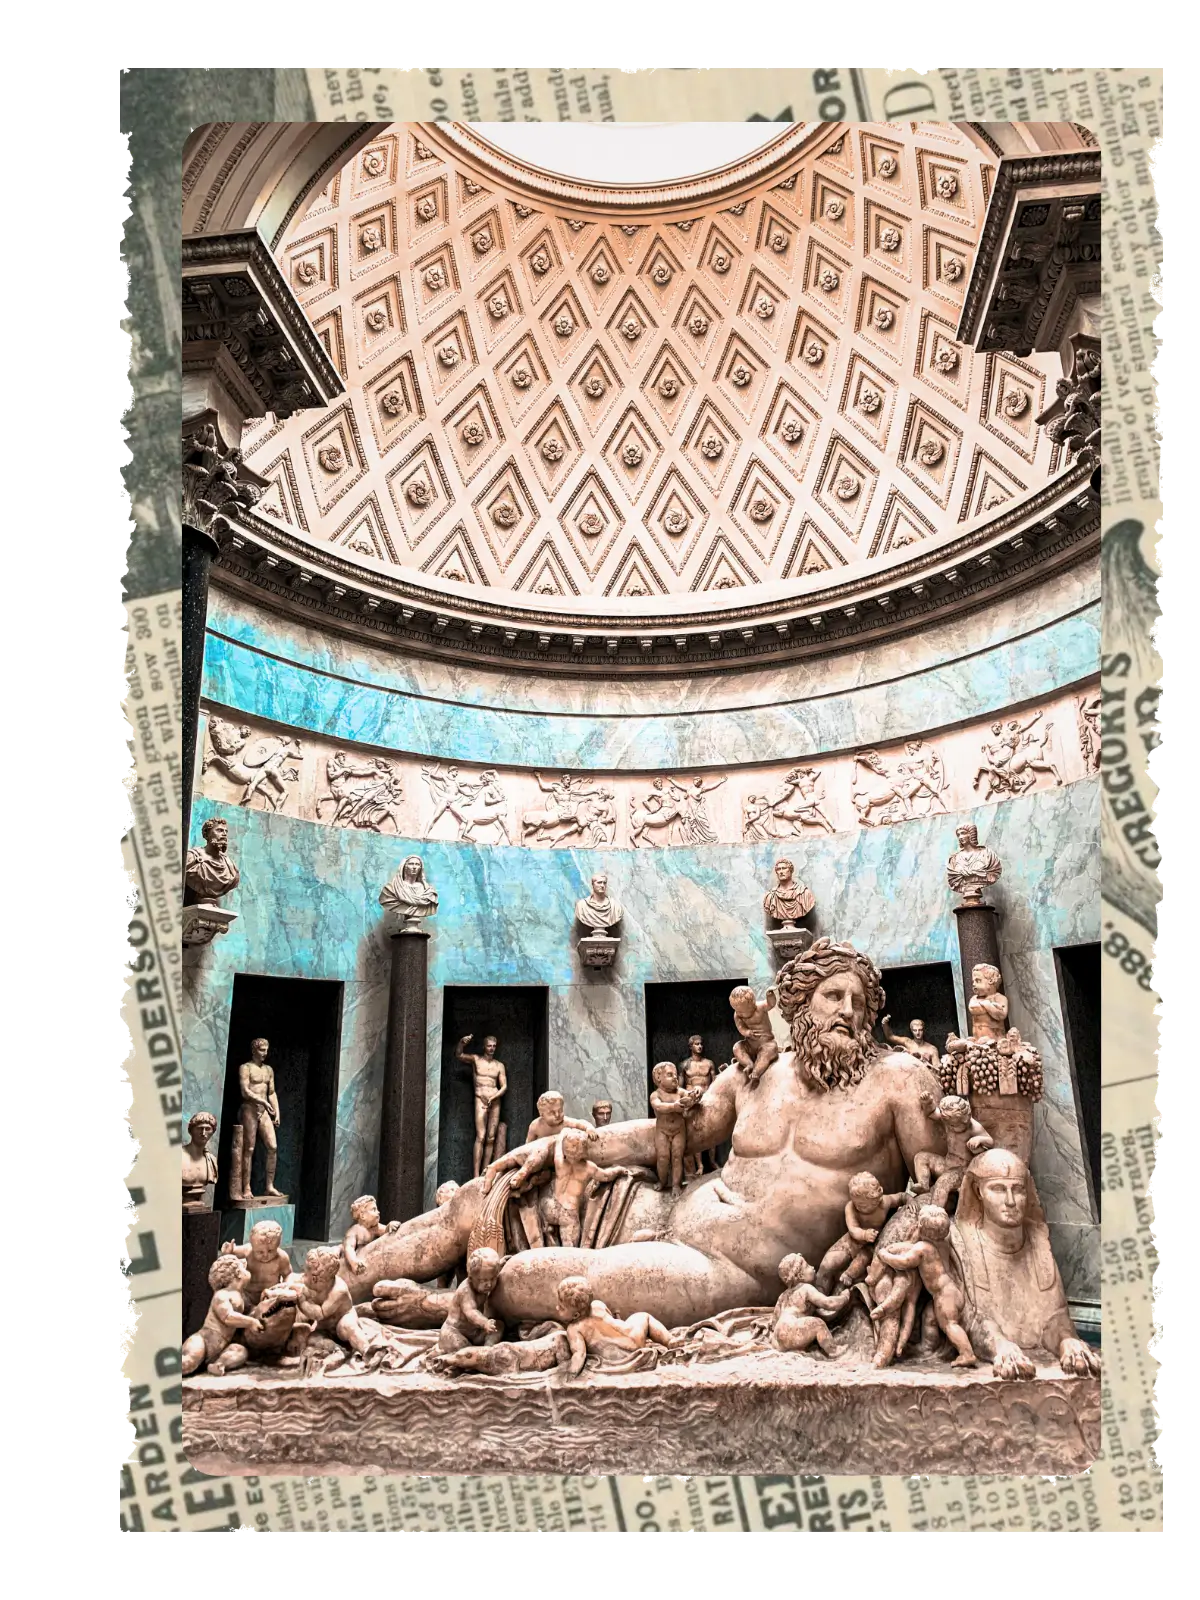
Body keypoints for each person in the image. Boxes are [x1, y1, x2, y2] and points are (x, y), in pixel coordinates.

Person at [346, 939, 945, 1331]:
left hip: (723, 1268)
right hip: (666, 1206)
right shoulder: (757, 1075)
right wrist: (562, 1145)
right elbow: (680, 1132)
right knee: (486, 1195)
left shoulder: (898, 1081)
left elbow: (937, 1190)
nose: (846, 1010)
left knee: (544, 1274)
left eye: (859, 1002)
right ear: (799, 1005)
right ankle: (328, 1287)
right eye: (832, 996)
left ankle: (438, 1310)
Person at [950, 1148, 1101, 1381]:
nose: (1010, 1201)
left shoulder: (1037, 1239)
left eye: (1018, 1190)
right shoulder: (961, 1239)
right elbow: (971, 1317)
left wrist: (1067, 1341)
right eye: (998, 1189)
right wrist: (1000, 1346)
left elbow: (1054, 1317)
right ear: (977, 1191)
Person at [875, 1205, 977, 1367]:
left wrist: (885, 1255)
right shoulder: (944, 1241)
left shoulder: (922, 1248)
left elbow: (904, 1262)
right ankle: (927, 1347)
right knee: (929, 1318)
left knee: (950, 1324)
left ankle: (967, 1353)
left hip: (944, 1295)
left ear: (921, 1227)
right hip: (953, 1290)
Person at [555, 1275, 673, 1375]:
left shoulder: (574, 1329)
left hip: (620, 1355)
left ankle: (670, 1341)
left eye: (561, 1308)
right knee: (643, 1317)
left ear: (576, 1315)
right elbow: (610, 1323)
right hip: (635, 1337)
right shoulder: (598, 1305)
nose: (557, 1308)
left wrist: (570, 1375)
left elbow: (579, 1354)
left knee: (642, 1318)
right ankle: (670, 1341)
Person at [815, 1173, 908, 1293]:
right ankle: (818, 1295)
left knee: (861, 1261)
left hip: (872, 1244)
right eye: (856, 1203)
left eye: (862, 1205)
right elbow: (853, 1229)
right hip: (852, 1241)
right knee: (827, 1264)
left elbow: (901, 1196)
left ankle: (848, 1278)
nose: (858, 1207)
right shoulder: (851, 1207)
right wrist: (864, 1234)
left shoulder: (884, 1202)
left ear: (876, 1200)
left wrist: (910, 1201)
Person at [182, 1255, 263, 1376]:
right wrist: (251, 1322)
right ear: (238, 1274)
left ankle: (219, 1364)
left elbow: (251, 1310)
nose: (247, 1269)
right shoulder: (221, 1295)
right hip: (204, 1342)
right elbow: (228, 1317)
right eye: (243, 1268)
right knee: (189, 1362)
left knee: (241, 1351)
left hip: (222, 1348)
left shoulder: (242, 1297)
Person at [769, 1255, 851, 1355]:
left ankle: (792, 1347)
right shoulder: (805, 1288)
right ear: (799, 1275)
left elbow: (774, 1322)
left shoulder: (783, 1295)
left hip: (777, 1338)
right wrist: (844, 1297)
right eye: (807, 1266)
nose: (812, 1267)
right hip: (791, 1330)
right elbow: (829, 1303)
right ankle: (833, 1350)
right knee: (818, 1324)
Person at [437, 1247, 506, 1354]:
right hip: (455, 1331)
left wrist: (500, 1265)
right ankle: (475, 1355)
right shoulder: (465, 1291)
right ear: (470, 1277)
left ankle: (487, 1348)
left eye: (493, 1279)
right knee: (462, 1349)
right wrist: (485, 1323)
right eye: (483, 1280)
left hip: (475, 1331)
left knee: (499, 1326)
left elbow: (489, 1271)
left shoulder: (483, 1279)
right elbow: (471, 1312)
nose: (489, 1284)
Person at [458, 1034, 508, 1178]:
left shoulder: (499, 1065)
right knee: (481, 1136)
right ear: (484, 1046)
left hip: (495, 1100)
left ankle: (485, 1172)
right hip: (480, 1099)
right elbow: (459, 1055)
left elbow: (504, 1086)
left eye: (494, 1046)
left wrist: (494, 1097)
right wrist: (462, 1042)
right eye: (489, 1046)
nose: (491, 1049)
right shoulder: (476, 1059)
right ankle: (475, 1175)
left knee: (491, 1138)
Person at [649, 1062, 702, 1194]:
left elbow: (691, 1094)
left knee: (677, 1157)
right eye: (669, 1075)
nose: (675, 1078)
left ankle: (676, 1185)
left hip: (679, 1130)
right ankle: (662, 1181)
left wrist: (697, 1092)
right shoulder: (656, 1095)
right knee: (663, 1157)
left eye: (675, 1075)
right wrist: (673, 1107)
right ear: (658, 1077)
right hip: (662, 1131)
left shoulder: (680, 1092)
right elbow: (658, 1106)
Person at [220, 1218, 291, 1306]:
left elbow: (288, 1274)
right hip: (248, 1295)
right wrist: (229, 1251)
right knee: (235, 1301)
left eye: (270, 1251)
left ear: (278, 1246)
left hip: (270, 1296)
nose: (265, 1255)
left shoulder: (282, 1258)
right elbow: (233, 1252)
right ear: (253, 1246)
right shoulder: (248, 1251)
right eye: (260, 1252)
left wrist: (287, 1286)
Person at [729, 985, 779, 1088]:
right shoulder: (737, 1015)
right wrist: (747, 1032)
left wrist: (770, 996)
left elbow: (770, 1004)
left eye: (743, 1011)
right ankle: (748, 1064)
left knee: (769, 1051)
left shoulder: (760, 1007)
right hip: (750, 1044)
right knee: (737, 1047)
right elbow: (740, 1027)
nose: (740, 1014)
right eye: (738, 1011)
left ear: (752, 1004)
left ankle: (756, 1072)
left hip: (766, 1042)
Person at [342, 1195, 402, 1274]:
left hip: (371, 1260)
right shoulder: (354, 1231)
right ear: (363, 1215)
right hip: (358, 1263)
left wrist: (390, 1225)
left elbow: (386, 1231)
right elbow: (349, 1248)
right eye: (374, 1210)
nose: (378, 1212)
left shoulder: (375, 1228)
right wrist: (354, 1262)